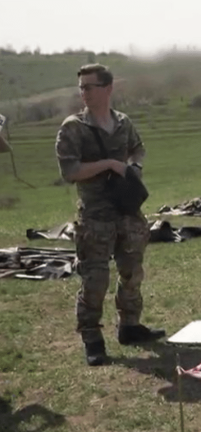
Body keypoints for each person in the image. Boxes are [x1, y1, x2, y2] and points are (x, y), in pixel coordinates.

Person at [55, 64, 164, 367]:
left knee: (132, 272)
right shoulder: (73, 127)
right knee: (95, 279)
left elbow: (138, 149)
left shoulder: (123, 122)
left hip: (127, 212)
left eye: (90, 86)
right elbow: (71, 171)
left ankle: (129, 326)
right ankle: (92, 337)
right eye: (81, 87)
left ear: (108, 88)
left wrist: (134, 167)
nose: (84, 93)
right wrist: (110, 164)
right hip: (95, 216)